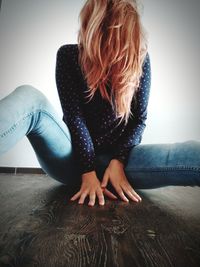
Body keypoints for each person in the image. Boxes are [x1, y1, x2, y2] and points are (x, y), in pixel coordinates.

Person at [0, 0, 199, 207]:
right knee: (30, 98)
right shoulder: (68, 56)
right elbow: (74, 118)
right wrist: (87, 171)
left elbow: (139, 119)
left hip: (122, 162)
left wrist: (119, 161)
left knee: (191, 153)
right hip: (72, 159)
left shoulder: (140, 59)